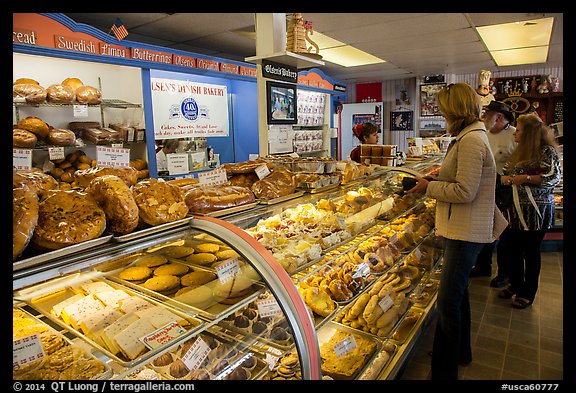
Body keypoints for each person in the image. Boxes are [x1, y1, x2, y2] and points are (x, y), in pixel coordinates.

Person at [407, 82, 506, 380]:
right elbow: (462, 176)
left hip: (466, 231)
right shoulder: (468, 136)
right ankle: (461, 351)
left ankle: (444, 371)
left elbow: (465, 191)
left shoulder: (473, 140)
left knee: (448, 302)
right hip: (462, 228)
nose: (441, 113)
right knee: (458, 295)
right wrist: (437, 175)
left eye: (444, 109)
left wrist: (429, 187)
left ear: (456, 110)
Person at [497, 113, 561, 309]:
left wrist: (524, 178)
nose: (515, 133)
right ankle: (516, 284)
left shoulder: (546, 151)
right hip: (514, 212)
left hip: (536, 213)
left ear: (530, 133)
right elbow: (505, 174)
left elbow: (552, 178)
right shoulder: (519, 152)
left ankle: (527, 292)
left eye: (518, 130)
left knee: (531, 252)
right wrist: (508, 179)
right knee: (512, 250)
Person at [470, 101, 517, 288]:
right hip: (484, 187)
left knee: (505, 233)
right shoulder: (484, 134)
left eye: (487, 114)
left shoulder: (515, 135)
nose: (484, 117)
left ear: (498, 117)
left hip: (506, 190)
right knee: (485, 228)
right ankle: (483, 266)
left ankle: (505, 273)